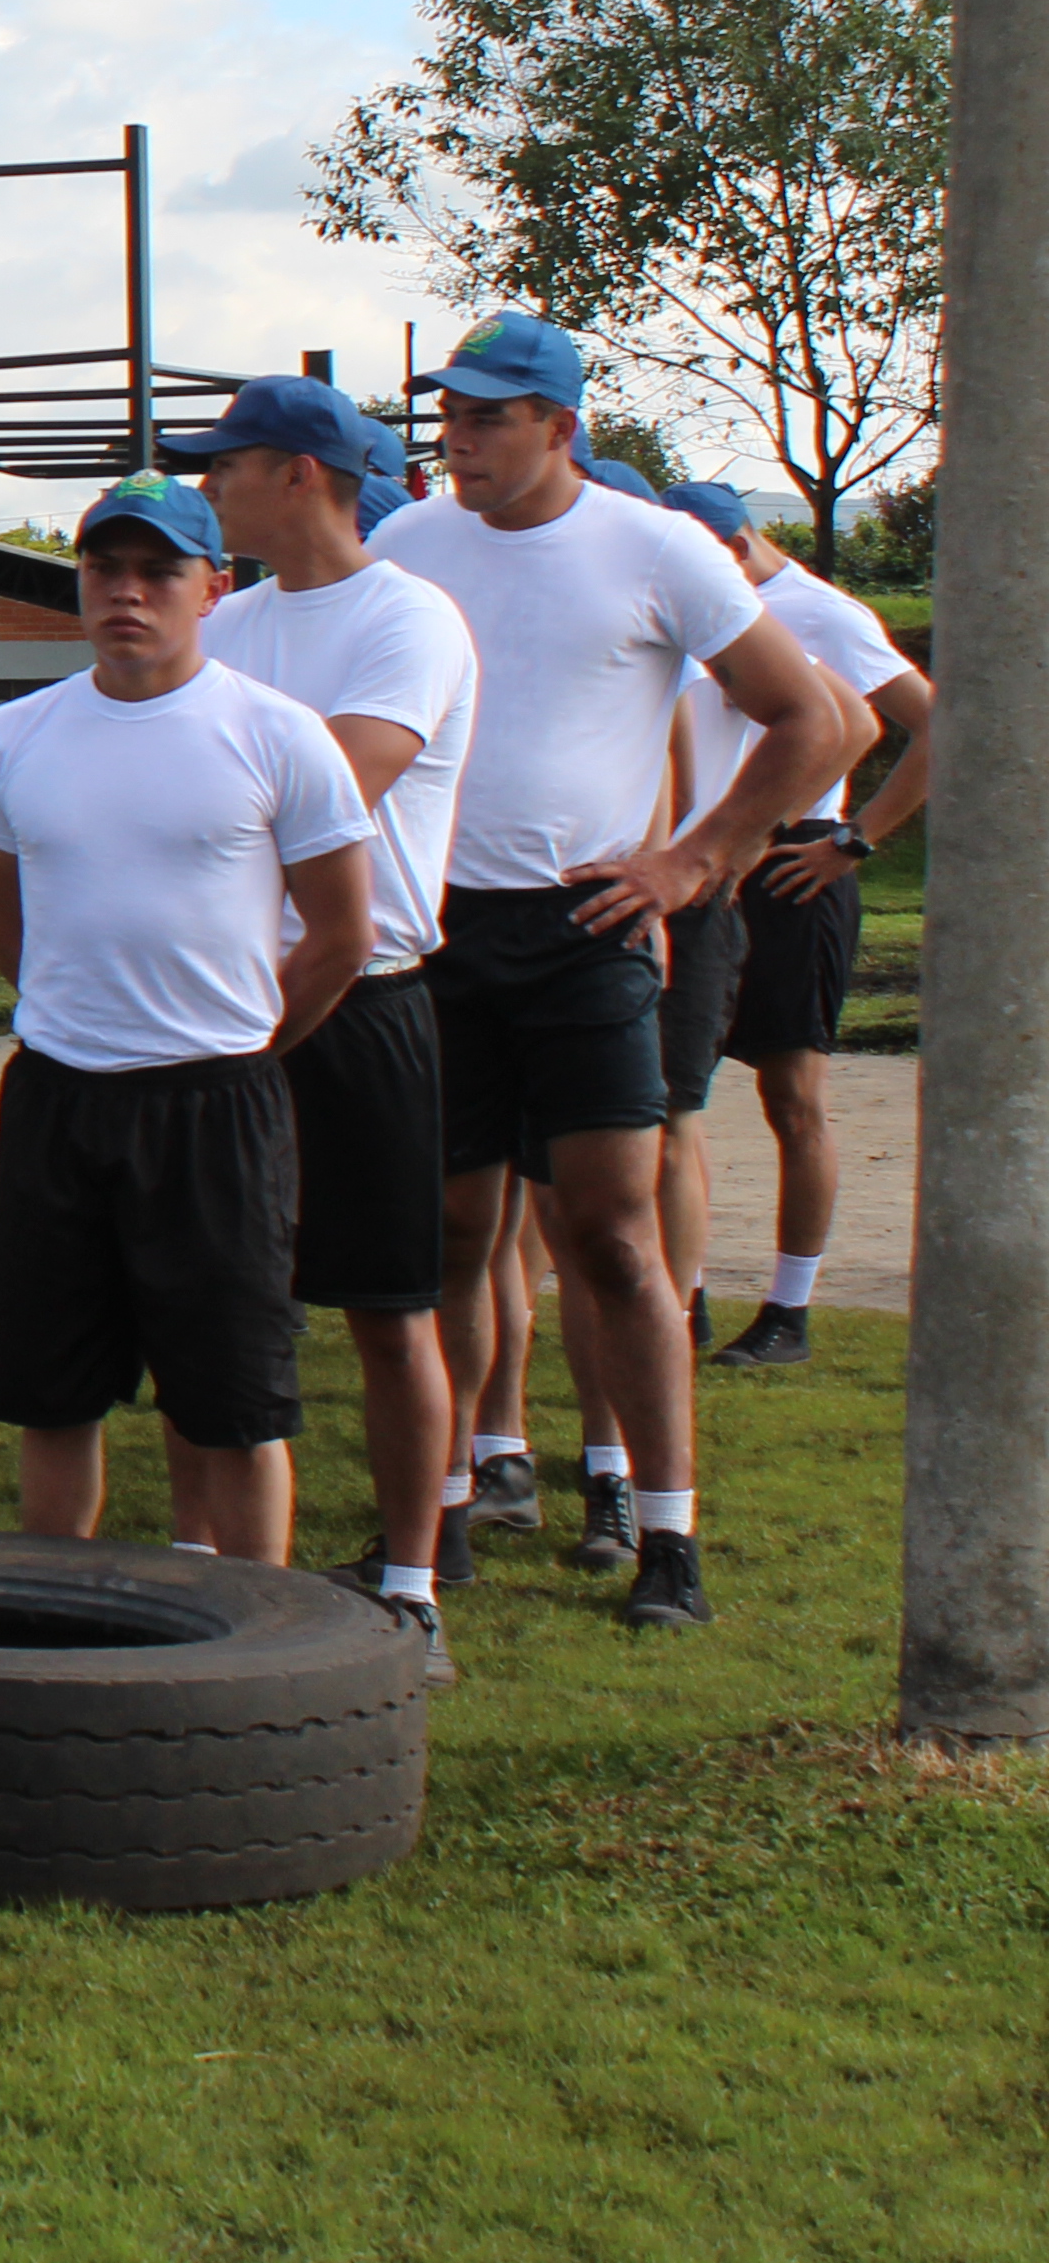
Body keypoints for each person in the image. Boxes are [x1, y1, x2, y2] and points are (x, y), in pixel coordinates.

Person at [371, 316, 863, 1629]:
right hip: (441, 933)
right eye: (447, 417)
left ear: (558, 429)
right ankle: (445, 1516)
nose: (456, 440)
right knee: (452, 1235)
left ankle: (667, 1538)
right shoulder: (408, 543)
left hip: (586, 931)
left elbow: (814, 719)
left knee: (613, 1236)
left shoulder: (654, 547)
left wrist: (697, 860)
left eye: (483, 418)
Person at [0, 473, 377, 1566]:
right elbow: (10, 922)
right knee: (54, 1392)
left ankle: (254, 1640)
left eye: (157, 572)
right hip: (59, 1098)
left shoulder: (279, 737)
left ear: (213, 588)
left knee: (233, 1398)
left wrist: (239, 1042)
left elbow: (338, 934)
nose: (127, 594)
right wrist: (81, 1023)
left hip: (215, 1110)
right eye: (105, 570)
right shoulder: (14, 736)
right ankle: (53, 1618)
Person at [169, 382, 480, 1678]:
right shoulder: (229, 620)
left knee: (387, 1304)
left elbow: (340, 782)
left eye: (224, 467)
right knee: (203, 1288)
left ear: (299, 475)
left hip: (362, 997)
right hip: (220, 993)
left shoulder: (408, 617)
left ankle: (410, 1578)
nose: (207, 491)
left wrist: (178, 802)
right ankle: (194, 1564)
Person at [666, 480, 929, 1373]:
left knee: (794, 1096)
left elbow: (929, 723)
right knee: (678, 1100)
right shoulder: (689, 608)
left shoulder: (821, 615)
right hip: (705, 855)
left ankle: (790, 1308)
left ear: (736, 546)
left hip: (794, 859)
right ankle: (686, 1294)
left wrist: (853, 842)